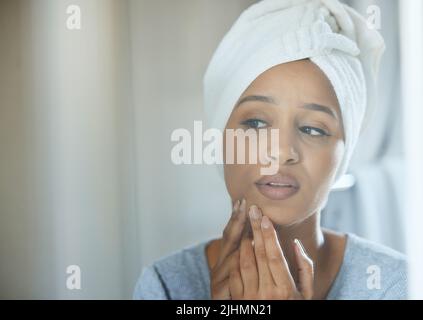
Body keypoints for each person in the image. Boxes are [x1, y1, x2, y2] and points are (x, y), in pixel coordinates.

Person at [133, 0, 407, 300]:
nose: (280, 151)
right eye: (256, 122)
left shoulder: (397, 286)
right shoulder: (166, 286)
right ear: (220, 136)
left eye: (313, 129)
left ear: (345, 152)